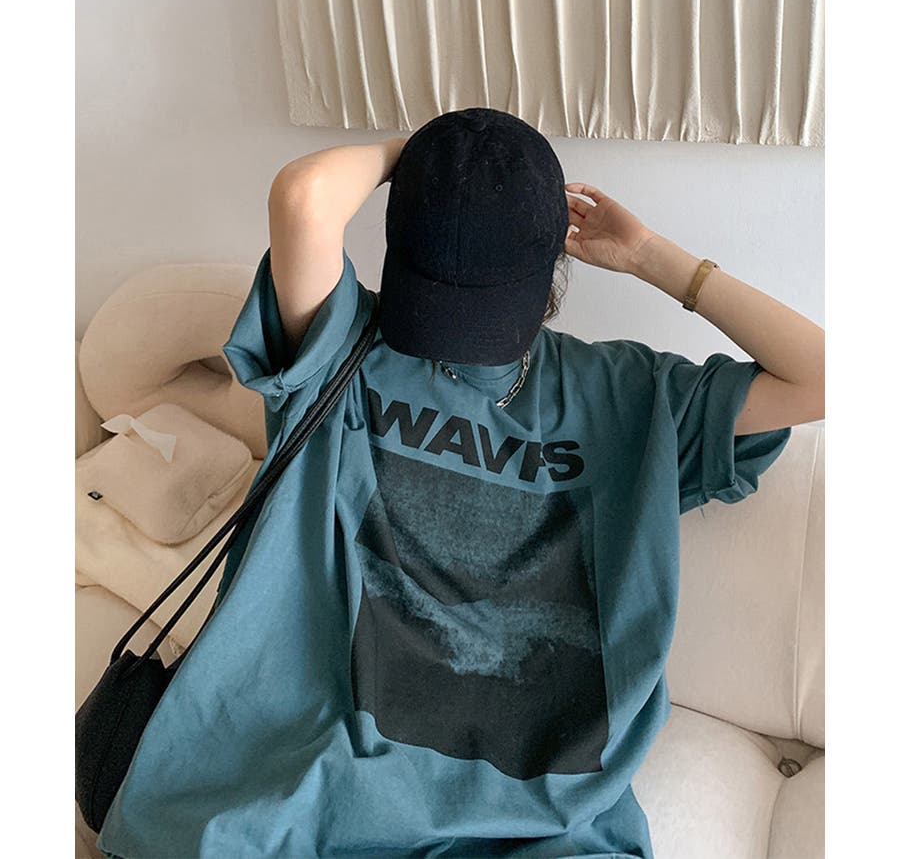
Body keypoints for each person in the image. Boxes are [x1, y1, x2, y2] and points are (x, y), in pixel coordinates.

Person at [95, 108, 824, 859]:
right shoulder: (343, 347)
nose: (456, 330)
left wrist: (651, 257)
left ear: (551, 265)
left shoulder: (629, 396)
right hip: (304, 790)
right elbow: (303, 197)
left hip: (533, 825)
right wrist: (426, 161)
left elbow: (826, 375)